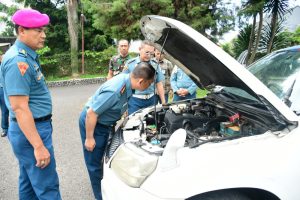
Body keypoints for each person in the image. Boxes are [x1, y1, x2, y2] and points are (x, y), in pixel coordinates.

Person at [0, 9, 61, 199]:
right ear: (21, 31)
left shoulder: (27, 55)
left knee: (28, 184)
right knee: (48, 187)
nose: (43, 35)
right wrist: (38, 146)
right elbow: (19, 107)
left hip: (28, 129)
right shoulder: (19, 60)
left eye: (43, 30)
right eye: (37, 30)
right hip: (32, 131)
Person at [79, 62, 155, 200]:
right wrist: (89, 138)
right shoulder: (114, 90)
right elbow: (91, 113)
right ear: (141, 81)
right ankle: (100, 196)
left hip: (105, 123)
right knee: (94, 164)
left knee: (106, 157)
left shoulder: (128, 83)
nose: (149, 87)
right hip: (93, 124)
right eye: (149, 84)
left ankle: (106, 185)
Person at [123, 40, 166, 115]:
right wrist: (124, 106)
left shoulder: (155, 65)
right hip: (135, 101)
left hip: (152, 100)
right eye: (147, 52)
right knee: (134, 124)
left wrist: (163, 102)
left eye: (151, 53)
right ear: (140, 49)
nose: (149, 55)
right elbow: (124, 84)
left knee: (153, 124)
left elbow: (159, 84)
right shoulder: (130, 64)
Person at [0, 54, 9, 137]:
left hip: (6, 89)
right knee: (5, 110)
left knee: (6, 110)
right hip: (1, 89)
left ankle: (5, 128)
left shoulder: (8, 65)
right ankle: (5, 128)